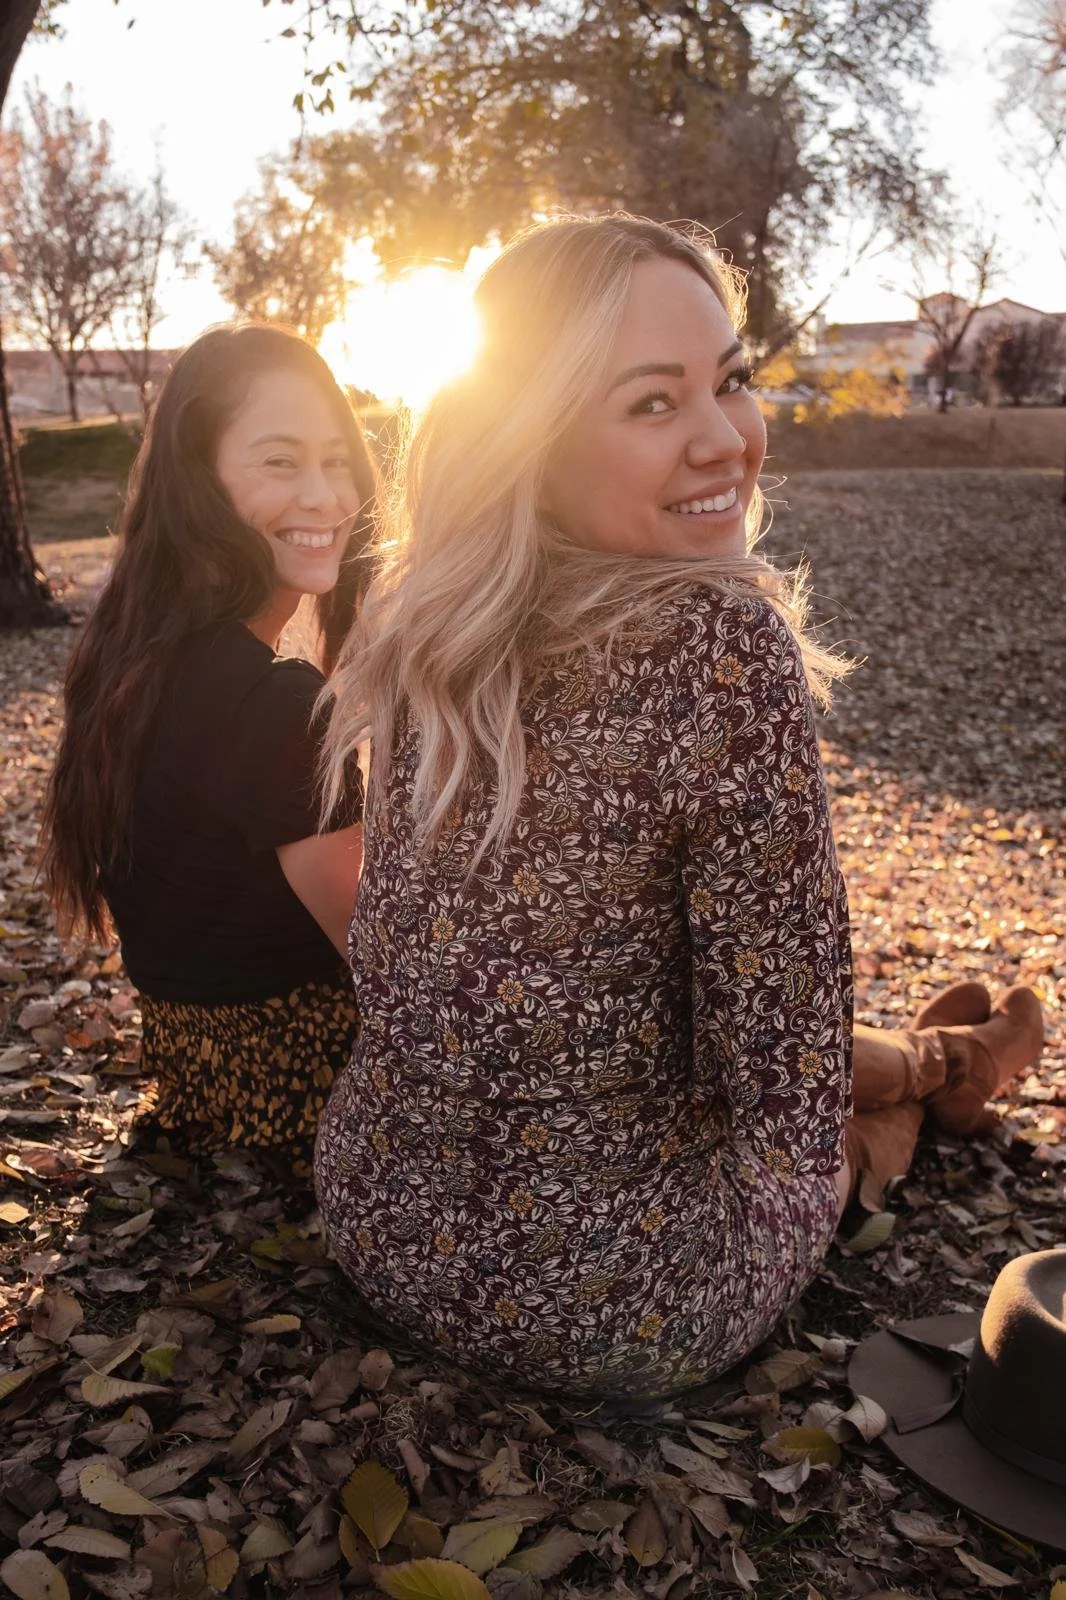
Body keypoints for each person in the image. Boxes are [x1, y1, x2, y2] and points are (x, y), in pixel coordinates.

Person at [314, 216, 1044, 1398]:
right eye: (652, 402)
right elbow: (785, 1066)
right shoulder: (718, 642)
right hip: (620, 1300)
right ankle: (935, 1086)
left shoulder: (423, 627)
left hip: (381, 1219)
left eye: (730, 380)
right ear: (532, 438)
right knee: (819, 1134)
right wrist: (800, 1189)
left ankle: (943, 1064)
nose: (726, 438)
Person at [41, 324, 376, 1176]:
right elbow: (384, 963)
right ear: (201, 480)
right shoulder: (273, 702)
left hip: (194, 1077)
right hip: (297, 1088)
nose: (326, 495)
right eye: (280, 461)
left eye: (338, 460)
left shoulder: (133, 650)